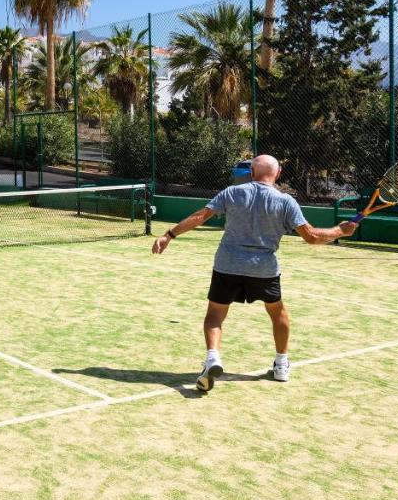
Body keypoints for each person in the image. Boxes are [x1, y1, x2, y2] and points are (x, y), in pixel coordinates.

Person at [151, 154, 357, 391]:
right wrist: (339, 231)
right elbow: (311, 236)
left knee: (215, 316)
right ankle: (281, 365)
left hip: (228, 264)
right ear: (278, 174)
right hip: (264, 268)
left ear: (251, 173)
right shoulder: (286, 201)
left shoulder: (232, 193)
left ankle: (213, 358)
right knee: (277, 313)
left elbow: (200, 217)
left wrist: (169, 235)